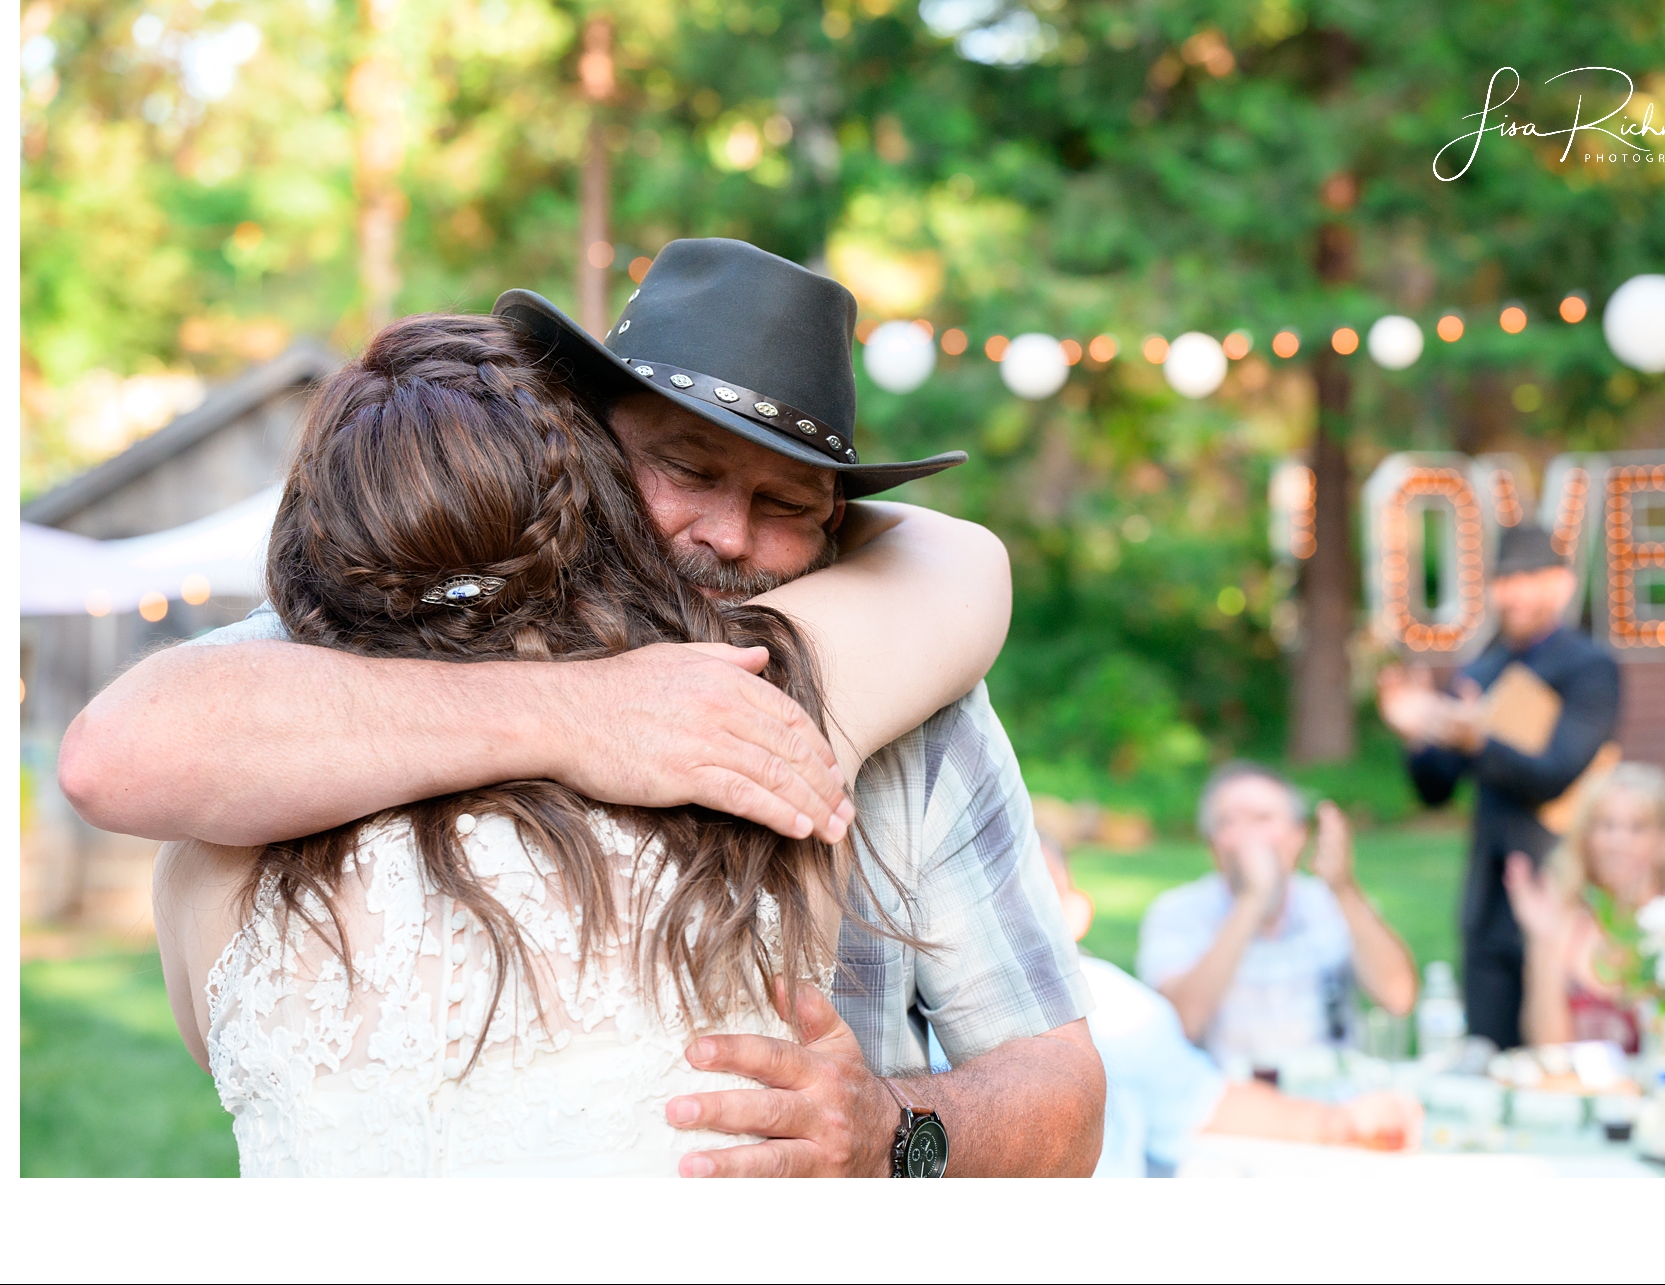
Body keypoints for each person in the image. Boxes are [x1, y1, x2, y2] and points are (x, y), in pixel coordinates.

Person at [76, 239, 1104, 1177]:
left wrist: (891, 1132)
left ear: (842, 524)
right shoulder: (371, 644)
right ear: (589, 454)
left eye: (787, 502)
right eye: (685, 469)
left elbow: (1064, 1094)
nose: (728, 535)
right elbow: (125, 746)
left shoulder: (916, 701)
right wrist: (586, 712)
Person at [1037, 836, 1422, 1175]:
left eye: (1031, 896)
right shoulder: (1174, 918)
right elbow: (1194, 1058)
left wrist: (1340, 1122)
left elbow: (1202, 1100)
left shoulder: (1116, 1007)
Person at [1376, 522, 1621, 1050]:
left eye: (1529, 578)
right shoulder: (1484, 668)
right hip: (1488, 895)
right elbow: (1435, 789)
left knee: (1561, 1051)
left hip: (1561, 883)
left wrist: (1477, 740)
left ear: (1560, 585)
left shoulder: (1589, 668)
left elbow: (1556, 773)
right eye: (1504, 580)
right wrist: (1418, 734)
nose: (1513, 593)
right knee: (1488, 1049)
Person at [1135, 763, 1417, 1075]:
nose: (1248, 837)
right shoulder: (1177, 912)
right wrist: (1252, 901)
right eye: (1229, 822)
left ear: (1298, 836)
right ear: (1212, 845)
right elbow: (1181, 1025)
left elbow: (1398, 997)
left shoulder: (1331, 902)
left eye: (1262, 819)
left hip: (1331, 1099)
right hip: (1227, 1104)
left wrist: (1343, 888)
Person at [1504, 763, 1665, 1052]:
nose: (1618, 842)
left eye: (1637, 827)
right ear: (1585, 837)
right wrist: (1544, 941)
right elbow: (1549, 1049)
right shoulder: (1565, 920)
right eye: (1606, 825)